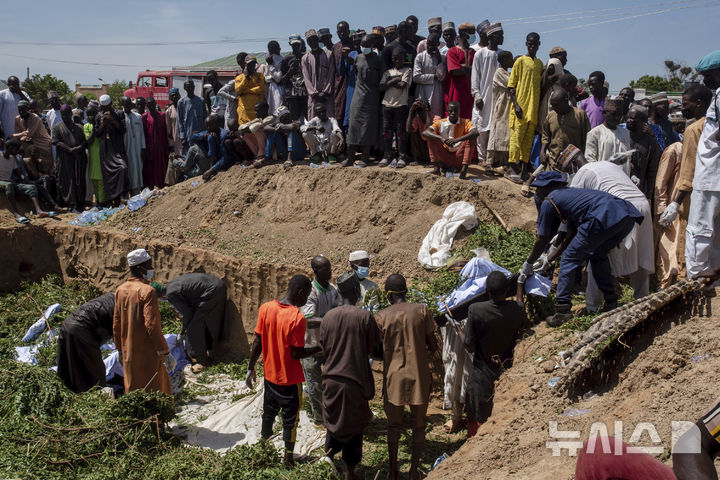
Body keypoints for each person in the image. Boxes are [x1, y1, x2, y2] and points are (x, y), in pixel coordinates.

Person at [521, 171, 644, 326]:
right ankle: (611, 300)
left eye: (539, 188)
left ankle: (562, 310)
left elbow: (542, 238)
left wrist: (529, 263)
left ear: (550, 187)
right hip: (625, 216)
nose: (537, 192)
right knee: (598, 255)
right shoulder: (570, 196)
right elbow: (571, 235)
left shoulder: (550, 200)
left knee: (569, 258)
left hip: (603, 215)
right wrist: (548, 259)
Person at [246, 274, 319, 466]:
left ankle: (264, 449)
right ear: (301, 293)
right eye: (307, 296)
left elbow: (257, 342)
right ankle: (288, 459)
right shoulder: (297, 317)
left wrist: (250, 367)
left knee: (268, 414)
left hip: (269, 377)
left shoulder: (266, 308)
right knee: (290, 420)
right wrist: (317, 349)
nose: (306, 301)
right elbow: (296, 353)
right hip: (289, 380)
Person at [375, 274, 438, 480]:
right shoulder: (422, 310)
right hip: (419, 377)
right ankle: (413, 471)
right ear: (406, 292)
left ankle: (392, 471)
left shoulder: (382, 316)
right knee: (419, 425)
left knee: (393, 426)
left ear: (388, 295)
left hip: (394, 379)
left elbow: (377, 351)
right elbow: (433, 345)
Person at [570, 161, 655, 312]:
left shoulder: (581, 174)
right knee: (641, 252)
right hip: (642, 204)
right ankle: (642, 300)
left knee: (598, 255)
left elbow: (573, 212)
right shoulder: (609, 165)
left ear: (572, 166)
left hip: (620, 207)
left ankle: (592, 307)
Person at [319, 272, 378, 480]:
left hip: (331, 381)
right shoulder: (365, 317)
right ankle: (350, 472)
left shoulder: (327, 318)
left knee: (334, 421)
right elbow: (374, 350)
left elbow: (324, 349)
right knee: (354, 427)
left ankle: (328, 458)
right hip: (355, 382)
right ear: (356, 291)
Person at [656, 84, 713, 287]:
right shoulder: (714, 126)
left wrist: (675, 202)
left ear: (699, 104)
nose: (683, 107)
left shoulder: (694, 129)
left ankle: (686, 281)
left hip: (696, 196)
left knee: (689, 238)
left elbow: (688, 169)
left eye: (686, 103)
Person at [464, 271, 525, 437]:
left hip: (481, 377)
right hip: (507, 375)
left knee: (478, 427)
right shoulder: (516, 310)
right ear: (507, 291)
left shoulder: (476, 309)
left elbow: (469, 345)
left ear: (487, 292)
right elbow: (520, 306)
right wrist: (519, 286)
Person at [113, 248, 174, 395]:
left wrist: (120, 350)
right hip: (148, 354)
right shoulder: (147, 291)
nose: (151, 269)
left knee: (134, 393)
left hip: (128, 352)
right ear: (140, 268)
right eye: (149, 265)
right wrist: (165, 352)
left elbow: (116, 323)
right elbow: (151, 326)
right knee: (155, 392)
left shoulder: (120, 290)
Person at [684, 50, 720, 283]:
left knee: (700, 228)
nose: (705, 81)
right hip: (712, 174)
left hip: (711, 174)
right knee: (714, 233)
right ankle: (713, 277)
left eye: (709, 75)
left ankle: (697, 277)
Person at [300, 255, 340, 424]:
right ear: (315, 271)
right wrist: (331, 320)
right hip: (311, 344)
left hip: (328, 343)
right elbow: (309, 318)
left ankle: (332, 411)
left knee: (332, 380)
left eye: (330, 267)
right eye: (326, 268)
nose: (330, 271)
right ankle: (319, 418)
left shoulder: (332, 289)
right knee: (314, 382)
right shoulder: (311, 291)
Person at [159, 273, 226, 372]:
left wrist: (182, 331)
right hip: (217, 284)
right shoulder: (171, 284)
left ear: (160, 295)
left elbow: (188, 314)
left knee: (193, 327)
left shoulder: (170, 294)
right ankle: (205, 349)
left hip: (212, 291)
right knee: (199, 321)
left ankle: (202, 362)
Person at [56, 293, 114, 393]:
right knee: (96, 375)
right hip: (81, 330)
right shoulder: (123, 307)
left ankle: (69, 396)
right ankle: (97, 402)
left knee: (69, 369)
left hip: (68, 325)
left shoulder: (113, 298)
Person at [345, 33, 385, 168]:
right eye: (362, 45)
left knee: (367, 127)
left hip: (371, 97)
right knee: (353, 126)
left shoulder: (378, 60)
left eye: (366, 45)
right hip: (357, 96)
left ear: (372, 46)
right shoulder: (357, 58)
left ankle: (364, 157)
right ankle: (350, 157)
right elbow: (357, 76)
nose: (364, 47)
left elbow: (383, 78)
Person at [508, 33, 544, 182]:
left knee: (528, 140)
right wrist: (516, 104)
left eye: (534, 43)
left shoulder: (540, 64)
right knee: (516, 138)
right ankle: (510, 168)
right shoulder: (520, 61)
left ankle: (523, 170)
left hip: (533, 109)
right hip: (520, 107)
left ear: (538, 44)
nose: (532, 45)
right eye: (529, 43)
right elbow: (511, 86)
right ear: (526, 44)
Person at [470, 22, 503, 168]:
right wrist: (477, 95)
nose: (502, 38)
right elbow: (475, 76)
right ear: (492, 37)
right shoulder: (480, 54)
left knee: (495, 127)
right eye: (500, 35)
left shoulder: (502, 55)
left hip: (498, 97)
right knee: (482, 126)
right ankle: (481, 157)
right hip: (483, 95)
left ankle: (493, 158)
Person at [422, 100, 479, 178]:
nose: (453, 113)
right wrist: (442, 139)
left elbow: (475, 133)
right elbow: (425, 133)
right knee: (431, 136)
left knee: (471, 137)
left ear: (459, 111)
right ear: (447, 111)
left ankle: (464, 170)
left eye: (455, 111)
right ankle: (436, 168)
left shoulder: (466, 122)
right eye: (450, 111)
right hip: (444, 156)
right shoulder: (440, 122)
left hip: (459, 157)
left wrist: (457, 140)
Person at [0, 139, 51, 223]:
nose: (18, 151)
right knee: (9, 185)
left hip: (9, 181)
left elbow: (18, 173)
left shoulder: (12, 158)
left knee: (31, 187)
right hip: (3, 182)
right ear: (10, 148)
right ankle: (16, 213)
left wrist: (25, 179)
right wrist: (5, 180)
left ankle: (39, 211)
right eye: (16, 149)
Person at [539, 89, 590, 170]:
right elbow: (546, 136)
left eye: (556, 105)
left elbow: (587, 138)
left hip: (573, 165)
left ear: (565, 101)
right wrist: (542, 152)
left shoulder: (580, 115)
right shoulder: (551, 116)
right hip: (553, 163)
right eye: (552, 105)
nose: (553, 108)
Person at [379, 47, 412, 167]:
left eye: (399, 58)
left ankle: (402, 155)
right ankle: (387, 154)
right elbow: (381, 87)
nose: (397, 60)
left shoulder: (407, 70)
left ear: (403, 58)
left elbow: (403, 85)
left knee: (400, 132)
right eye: (394, 58)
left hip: (400, 104)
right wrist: (395, 80)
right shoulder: (387, 72)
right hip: (387, 104)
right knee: (386, 132)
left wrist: (390, 82)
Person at [51, 104, 87, 211]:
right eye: (63, 115)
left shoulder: (79, 127)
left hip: (78, 159)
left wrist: (79, 148)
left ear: (71, 114)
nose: (65, 117)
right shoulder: (57, 127)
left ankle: (80, 203)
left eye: (67, 114)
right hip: (65, 159)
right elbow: (55, 141)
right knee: (67, 181)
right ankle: (70, 204)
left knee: (79, 180)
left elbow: (85, 142)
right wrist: (70, 150)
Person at [95, 95, 129, 205]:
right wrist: (103, 124)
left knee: (122, 168)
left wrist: (113, 121)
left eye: (107, 107)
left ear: (111, 105)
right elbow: (97, 134)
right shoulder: (98, 116)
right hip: (106, 149)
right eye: (103, 107)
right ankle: (111, 199)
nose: (105, 110)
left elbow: (123, 130)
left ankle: (122, 196)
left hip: (117, 148)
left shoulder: (119, 114)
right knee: (108, 174)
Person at [172, 115, 226, 179]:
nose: (208, 128)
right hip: (206, 162)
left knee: (188, 170)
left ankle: (174, 162)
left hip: (212, 164)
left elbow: (224, 157)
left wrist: (212, 169)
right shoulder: (207, 133)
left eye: (210, 125)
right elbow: (193, 138)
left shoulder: (222, 136)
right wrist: (203, 136)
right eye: (207, 126)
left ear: (217, 124)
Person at [625, 105, 662, 200]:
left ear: (644, 122)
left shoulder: (651, 144)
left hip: (639, 194)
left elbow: (652, 173)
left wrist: (649, 196)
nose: (629, 120)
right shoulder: (621, 138)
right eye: (628, 117)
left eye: (633, 118)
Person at [488, 51, 514, 172]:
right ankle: (490, 162)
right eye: (510, 59)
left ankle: (502, 163)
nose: (512, 60)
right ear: (503, 60)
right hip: (502, 106)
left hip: (508, 106)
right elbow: (512, 84)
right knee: (497, 130)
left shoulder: (506, 72)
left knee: (505, 133)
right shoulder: (499, 72)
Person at [12, 100, 54, 174]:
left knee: (46, 167)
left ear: (28, 110)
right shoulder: (17, 118)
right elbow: (17, 134)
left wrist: (15, 136)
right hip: (29, 143)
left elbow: (29, 133)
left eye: (23, 110)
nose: (21, 112)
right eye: (19, 110)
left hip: (42, 143)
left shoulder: (35, 118)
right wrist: (18, 135)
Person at [445, 23, 475, 119]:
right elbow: (455, 71)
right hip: (457, 91)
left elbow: (478, 72)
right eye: (471, 34)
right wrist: (471, 69)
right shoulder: (452, 52)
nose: (473, 37)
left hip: (471, 92)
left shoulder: (474, 53)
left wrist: (465, 67)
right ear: (464, 35)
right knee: (456, 119)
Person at [302, 30, 334, 119]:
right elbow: (306, 77)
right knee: (313, 119)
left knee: (329, 118)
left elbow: (330, 74)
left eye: (314, 39)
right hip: (313, 96)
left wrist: (325, 92)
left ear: (318, 39)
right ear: (307, 43)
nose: (312, 42)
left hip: (326, 95)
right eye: (310, 41)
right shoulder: (305, 58)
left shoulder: (328, 54)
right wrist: (314, 93)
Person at [413, 33, 446, 119]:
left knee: (436, 118)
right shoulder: (420, 57)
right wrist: (434, 76)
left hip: (436, 92)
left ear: (438, 45)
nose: (430, 47)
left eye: (433, 44)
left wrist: (439, 60)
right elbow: (416, 77)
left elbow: (442, 77)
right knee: (421, 118)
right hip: (422, 91)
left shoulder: (442, 58)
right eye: (429, 44)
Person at [141, 98, 168, 189]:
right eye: (149, 105)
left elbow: (165, 132)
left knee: (161, 167)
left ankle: (161, 185)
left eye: (152, 104)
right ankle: (150, 187)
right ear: (146, 106)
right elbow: (143, 134)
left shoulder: (162, 115)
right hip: (150, 148)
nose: (151, 106)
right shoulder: (144, 117)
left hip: (161, 147)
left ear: (155, 104)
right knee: (150, 168)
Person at [121, 96, 146, 195]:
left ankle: (135, 194)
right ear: (122, 105)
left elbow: (142, 133)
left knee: (137, 171)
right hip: (126, 149)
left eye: (129, 104)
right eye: (125, 104)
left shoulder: (138, 117)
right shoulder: (121, 117)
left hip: (137, 149)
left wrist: (143, 148)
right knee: (127, 172)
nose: (127, 106)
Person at [281, 34, 308, 122]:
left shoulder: (306, 57)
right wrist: (290, 72)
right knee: (294, 120)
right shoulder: (286, 59)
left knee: (308, 120)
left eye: (297, 44)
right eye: (294, 44)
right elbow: (282, 81)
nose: (296, 46)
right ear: (290, 44)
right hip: (292, 96)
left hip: (305, 95)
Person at [332, 21, 353, 133]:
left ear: (349, 31)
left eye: (344, 31)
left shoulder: (355, 45)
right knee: (339, 111)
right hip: (339, 84)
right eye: (340, 31)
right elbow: (333, 69)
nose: (342, 33)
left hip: (352, 84)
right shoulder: (335, 47)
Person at [83, 102, 104, 205]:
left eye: (93, 114)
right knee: (94, 180)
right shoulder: (86, 126)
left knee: (101, 180)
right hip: (92, 156)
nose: (91, 117)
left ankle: (102, 201)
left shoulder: (101, 124)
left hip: (101, 155)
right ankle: (97, 200)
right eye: (89, 115)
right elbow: (89, 141)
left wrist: (97, 126)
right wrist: (94, 128)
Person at [177, 80, 207, 155]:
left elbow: (205, 117)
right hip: (188, 133)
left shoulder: (201, 100)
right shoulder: (181, 102)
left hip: (201, 131)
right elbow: (180, 120)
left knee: (201, 153)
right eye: (187, 87)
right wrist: (182, 136)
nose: (190, 88)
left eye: (191, 86)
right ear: (184, 88)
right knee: (189, 155)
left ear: (194, 87)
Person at [235, 56, 265, 127]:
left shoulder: (260, 76)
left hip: (256, 111)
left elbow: (260, 89)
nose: (252, 66)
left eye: (253, 64)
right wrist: (246, 78)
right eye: (250, 65)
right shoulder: (239, 78)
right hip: (244, 111)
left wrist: (246, 91)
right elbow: (238, 91)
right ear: (245, 65)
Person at [406, 98, 432, 165]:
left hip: (432, 150)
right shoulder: (417, 119)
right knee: (413, 134)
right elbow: (408, 130)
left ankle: (432, 160)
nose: (419, 112)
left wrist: (426, 110)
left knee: (431, 136)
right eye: (418, 110)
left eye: (421, 110)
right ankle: (417, 159)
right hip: (423, 149)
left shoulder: (435, 118)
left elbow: (430, 130)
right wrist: (411, 110)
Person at [263, 41, 286, 115]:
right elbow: (266, 78)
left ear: (278, 49)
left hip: (280, 88)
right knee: (271, 110)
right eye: (269, 50)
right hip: (271, 88)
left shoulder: (282, 60)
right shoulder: (269, 59)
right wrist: (272, 78)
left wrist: (270, 66)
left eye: (273, 49)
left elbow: (278, 78)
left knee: (279, 109)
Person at [165, 88, 183, 157]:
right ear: (169, 97)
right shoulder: (168, 111)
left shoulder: (184, 108)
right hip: (175, 142)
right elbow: (169, 131)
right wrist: (171, 145)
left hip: (184, 140)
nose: (174, 97)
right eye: (172, 95)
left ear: (179, 96)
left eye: (176, 95)